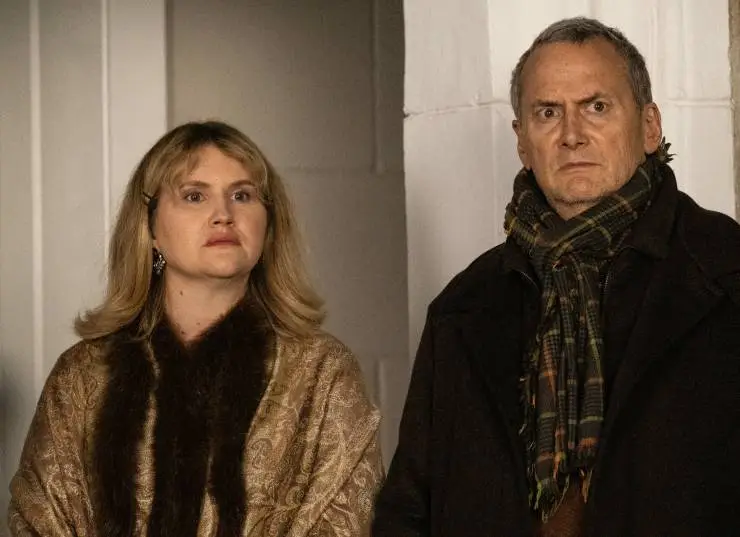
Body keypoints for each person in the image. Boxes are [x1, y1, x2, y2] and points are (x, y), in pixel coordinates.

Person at [373, 16, 740, 537]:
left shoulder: (725, 273)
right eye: (548, 113)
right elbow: (408, 511)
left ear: (649, 126)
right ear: (523, 142)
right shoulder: (465, 307)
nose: (571, 135)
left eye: (596, 107)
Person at [9, 120, 383, 536]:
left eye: (242, 195)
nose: (223, 215)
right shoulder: (81, 376)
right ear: (151, 228)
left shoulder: (324, 372)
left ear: (268, 225)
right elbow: (38, 520)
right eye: (194, 196)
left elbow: (346, 522)